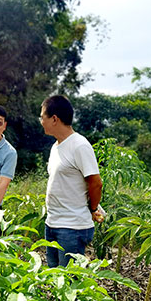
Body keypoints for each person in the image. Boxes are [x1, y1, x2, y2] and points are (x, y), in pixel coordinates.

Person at [40, 95, 103, 268]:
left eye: (42, 116)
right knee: (55, 279)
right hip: (52, 222)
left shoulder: (79, 145)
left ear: (54, 119)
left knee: (69, 282)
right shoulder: (56, 146)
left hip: (72, 227)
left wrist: (92, 208)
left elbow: (96, 183)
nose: (41, 121)